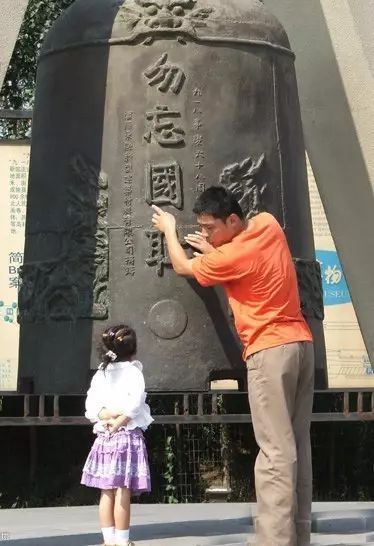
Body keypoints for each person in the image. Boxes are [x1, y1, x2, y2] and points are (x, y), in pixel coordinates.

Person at [151, 186, 314, 546]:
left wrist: (170, 230)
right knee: (297, 446)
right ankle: (299, 534)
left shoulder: (228, 257)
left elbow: (183, 266)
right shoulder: (268, 224)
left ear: (234, 221)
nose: (206, 234)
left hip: (269, 352)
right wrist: (217, 250)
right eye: (202, 228)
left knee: (274, 453)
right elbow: (247, 262)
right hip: (301, 346)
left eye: (210, 228)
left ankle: (274, 541)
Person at [81, 324, 153, 546]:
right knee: (122, 490)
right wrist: (120, 420)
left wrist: (108, 417)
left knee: (106, 490)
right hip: (127, 437)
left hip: (104, 437)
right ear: (133, 348)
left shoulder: (101, 373)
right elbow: (135, 404)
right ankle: (122, 541)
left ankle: (108, 540)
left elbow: (91, 407)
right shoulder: (133, 372)